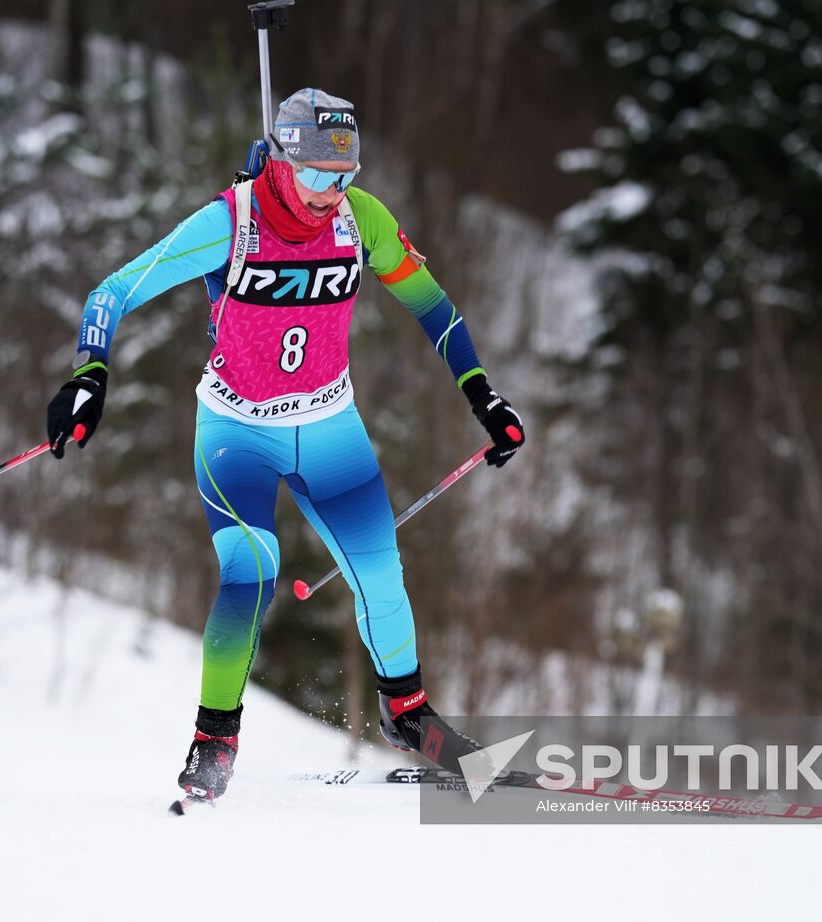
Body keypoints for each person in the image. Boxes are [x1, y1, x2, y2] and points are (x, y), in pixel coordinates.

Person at [46, 88, 524, 803]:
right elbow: (112, 292)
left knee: (381, 575)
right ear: (281, 160)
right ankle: (214, 740)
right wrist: (89, 374)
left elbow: (434, 307)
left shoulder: (361, 220)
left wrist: (483, 395)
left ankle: (410, 719)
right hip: (236, 430)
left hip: (329, 426)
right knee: (252, 570)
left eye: (347, 176)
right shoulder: (229, 224)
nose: (334, 192)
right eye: (319, 177)